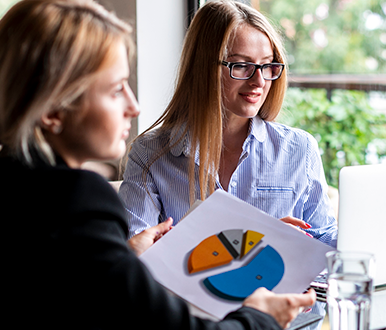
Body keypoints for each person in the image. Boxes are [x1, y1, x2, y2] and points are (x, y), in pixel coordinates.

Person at [0, 1, 315, 329]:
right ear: (53, 111)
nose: (134, 105)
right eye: (116, 89)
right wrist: (258, 317)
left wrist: (124, 258)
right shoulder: (78, 199)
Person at [119, 1, 337, 248]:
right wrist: (256, 240)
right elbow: (137, 254)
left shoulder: (299, 148)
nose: (259, 81)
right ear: (203, 69)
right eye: (241, 65)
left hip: (281, 288)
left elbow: (324, 239)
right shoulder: (150, 153)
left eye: (267, 65)